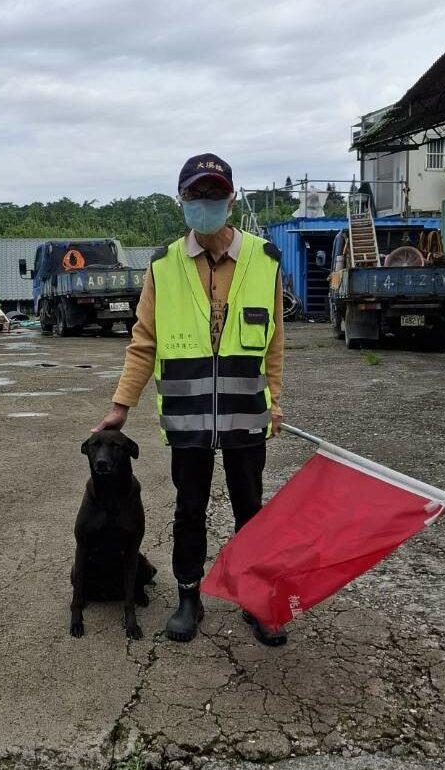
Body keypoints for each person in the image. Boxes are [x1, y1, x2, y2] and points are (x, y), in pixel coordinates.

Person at [93, 153, 286, 646]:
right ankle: (188, 597)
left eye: (214, 194)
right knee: (189, 509)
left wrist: (276, 401)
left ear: (231, 199)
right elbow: (144, 341)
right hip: (188, 415)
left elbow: (274, 344)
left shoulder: (265, 259)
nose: (205, 203)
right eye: (195, 194)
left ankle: (254, 599)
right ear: (181, 201)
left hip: (246, 412)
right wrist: (120, 406)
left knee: (250, 510)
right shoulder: (163, 266)